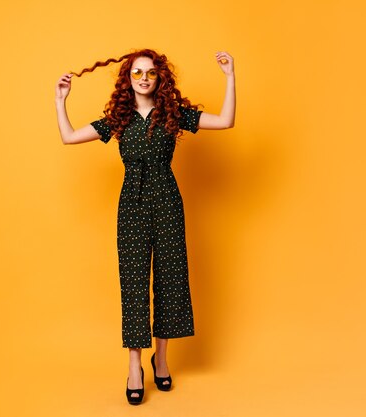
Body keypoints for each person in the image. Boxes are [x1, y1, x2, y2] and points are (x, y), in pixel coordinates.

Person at [54, 49, 235, 405]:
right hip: (131, 205)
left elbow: (226, 120)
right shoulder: (119, 119)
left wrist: (229, 77)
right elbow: (69, 137)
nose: (144, 78)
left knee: (170, 278)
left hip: (167, 200)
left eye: (150, 72)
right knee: (134, 283)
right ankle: (135, 365)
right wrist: (60, 101)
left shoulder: (172, 114)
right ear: (128, 79)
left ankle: (162, 358)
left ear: (159, 77)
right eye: (137, 73)